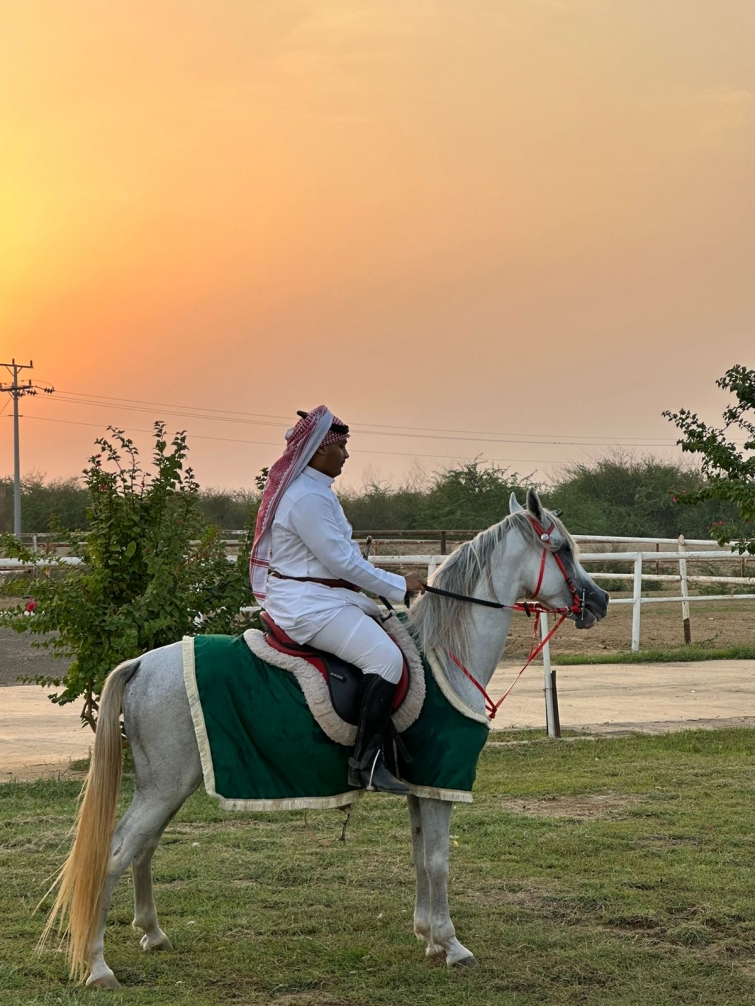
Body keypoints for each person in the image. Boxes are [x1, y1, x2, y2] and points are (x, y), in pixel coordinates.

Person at [250, 406, 425, 794]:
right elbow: (342, 562)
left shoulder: (315, 492)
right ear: (317, 451)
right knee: (386, 659)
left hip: (322, 597)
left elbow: (340, 561)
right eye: (341, 447)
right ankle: (367, 764)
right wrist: (399, 583)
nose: (346, 455)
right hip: (308, 604)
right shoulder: (306, 499)